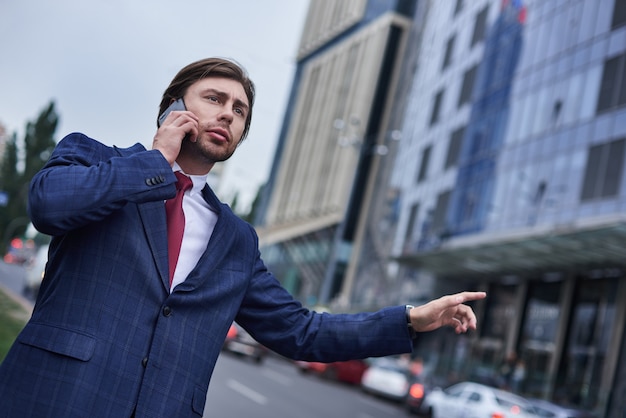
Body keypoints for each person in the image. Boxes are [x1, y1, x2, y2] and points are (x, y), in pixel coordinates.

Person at [0, 57, 486, 417]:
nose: (228, 114)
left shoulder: (236, 240)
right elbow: (49, 206)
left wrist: (411, 320)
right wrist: (155, 161)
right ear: (173, 106)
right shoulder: (92, 157)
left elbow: (301, 331)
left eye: (240, 110)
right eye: (214, 99)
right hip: (51, 400)